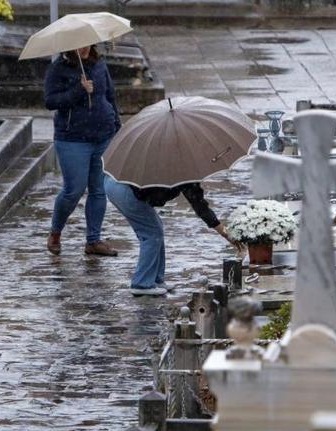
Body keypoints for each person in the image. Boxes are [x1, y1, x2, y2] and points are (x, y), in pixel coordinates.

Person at [45, 44, 120, 256]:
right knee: (73, 190)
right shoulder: (58, 69)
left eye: (87, 44)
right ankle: (55, 232)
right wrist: (79, 90)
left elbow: (110, 96)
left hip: (102, 135)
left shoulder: (99, 65)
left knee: (98, 189)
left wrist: (116, 125)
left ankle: (93, 240)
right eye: (79, 45)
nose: (84, 48)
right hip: (72, 139)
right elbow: (50, 101)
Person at [104, 176, 237, 296]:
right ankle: (142, 283)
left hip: (115, 184)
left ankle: (156, 279)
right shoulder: (185, 169)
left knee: (156, 230)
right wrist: (223, 232)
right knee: (152, 234)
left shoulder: (181, 164)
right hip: (124, 188)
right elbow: (199, 205)